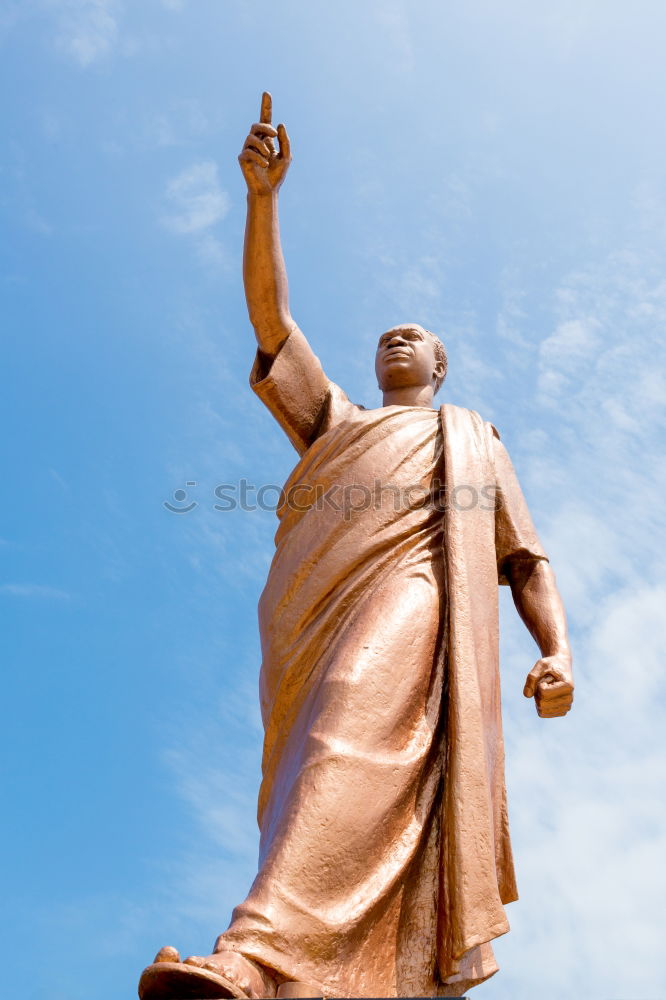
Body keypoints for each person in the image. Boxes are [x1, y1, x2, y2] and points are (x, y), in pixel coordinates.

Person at [139, 94, 573, 1000]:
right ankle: (322, 967)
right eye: (384, 336)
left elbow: (523, 558)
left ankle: (254, 956)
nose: (395, 339)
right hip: (308, 620)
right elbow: (271, 326)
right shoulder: (334, 424)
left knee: (348, 723)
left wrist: (557, 650)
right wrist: (262, 200)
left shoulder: (471, 439)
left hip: (417, 595)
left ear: (440, 366)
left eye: (414, 336)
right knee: (311, 773)